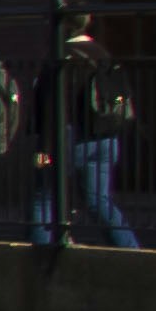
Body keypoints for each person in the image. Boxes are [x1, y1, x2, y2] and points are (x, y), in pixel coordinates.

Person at [40, 22, 141, 249]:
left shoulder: (62, 55)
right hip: (105, 138)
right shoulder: (103, 54)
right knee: (98, 199)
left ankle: (41, 251)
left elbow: (50, 106)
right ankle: (129, 248)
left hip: (74, 136)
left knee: (44, 195)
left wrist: (44, 148)